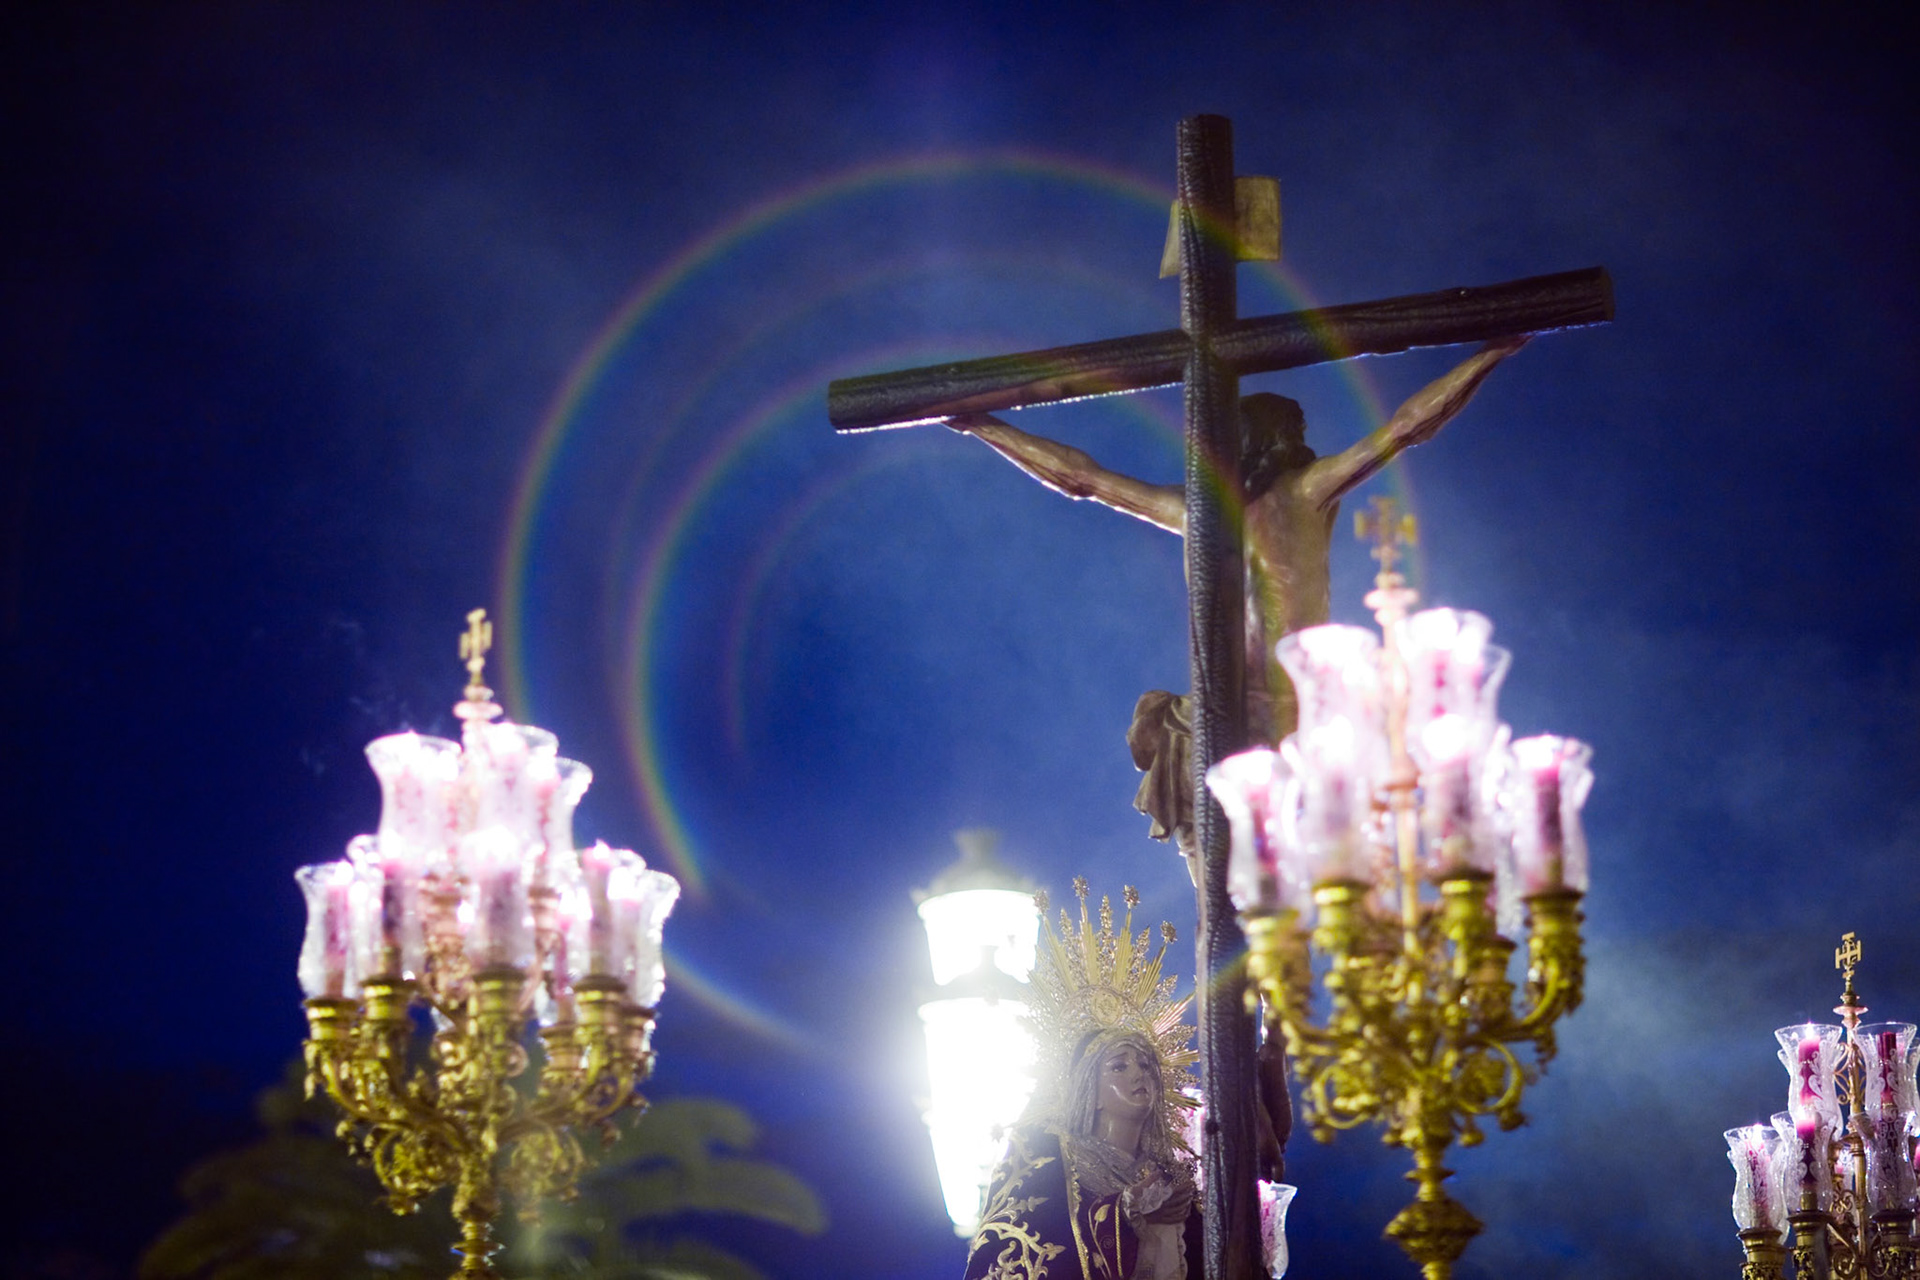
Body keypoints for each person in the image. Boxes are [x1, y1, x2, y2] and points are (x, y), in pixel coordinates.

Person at [948, 338, 1530, 860]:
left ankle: (1258, 967)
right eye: (1290, 433)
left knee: (1274, 881)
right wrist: (982, 426)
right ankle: (1234, 972)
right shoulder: (1218, 508)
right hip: (1218, 710)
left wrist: (1487, 355)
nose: (1299, 444)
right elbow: (1082, 479)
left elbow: (1408, 426)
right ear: (1269, 437)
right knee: (1225, 885)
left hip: (1288, 711)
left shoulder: (1300, 494)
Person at [964, 884, 1203, 1280]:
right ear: (1087, 1093)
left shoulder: (1171, 1181)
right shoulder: (1050, 1164)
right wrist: (1127, 1212)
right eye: (1118, 1066)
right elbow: (1028, 1247)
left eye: (1145, 1064)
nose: (1139, 1073)